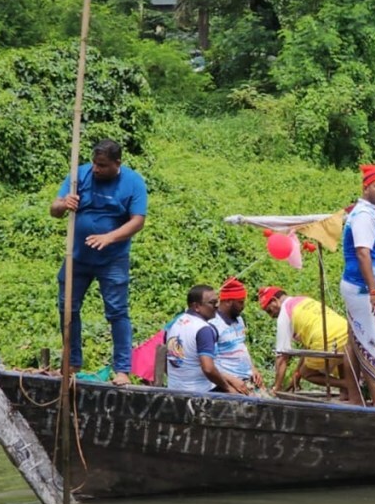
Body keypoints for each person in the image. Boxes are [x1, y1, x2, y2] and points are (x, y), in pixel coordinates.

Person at [50, 139, 148, 386]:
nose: (96, 169)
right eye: (94, 162)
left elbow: (138, 220)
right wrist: (64, 204)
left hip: (113, 259)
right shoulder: (79, 175)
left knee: (117, 311)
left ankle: (122, 369)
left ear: (117, 164)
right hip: (77, 258)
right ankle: (72, 362)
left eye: (102, 165)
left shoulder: (133, 182)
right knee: (67, 307)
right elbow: (54, 209)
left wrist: (109, 237)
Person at [341, 164, 375, 408]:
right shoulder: (363, 215)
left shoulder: (370, 212)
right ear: (365, 188)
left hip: (363, 288)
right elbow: (363, 253)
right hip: (363, 289)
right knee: (372, 340)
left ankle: (354, 398)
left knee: (355, 341)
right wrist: (374, 290)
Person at [258, 286, 363, 405]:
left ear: (274, 301)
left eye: (269, 311)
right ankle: (345, 392)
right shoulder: (304, 300)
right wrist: (296, 374)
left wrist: (276, 388)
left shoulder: (284, 315)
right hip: (346, 331)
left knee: (307, 373)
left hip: (327, 338)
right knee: (339, 357)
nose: (271, 316)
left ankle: (347, 385)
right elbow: (307, 348)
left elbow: (282, 357)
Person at [165, 285, 248, 394]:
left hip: (174, 389)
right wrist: (228, 388)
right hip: (200, 393)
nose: (217, 307)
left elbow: (165, 359)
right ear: (196, 306)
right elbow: (208, 369)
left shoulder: (175, 323)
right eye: (212, 303)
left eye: (217, 302)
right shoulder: (204, 329)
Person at [208, 277, 263, 390]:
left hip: (246, 377)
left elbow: (241, 346)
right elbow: (209, 363)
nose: (243, 306)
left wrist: (253, 368)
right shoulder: (213, 325)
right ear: (228, 301)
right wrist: (231, 383)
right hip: (227, 381)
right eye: (240, 302)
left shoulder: (239, 320)